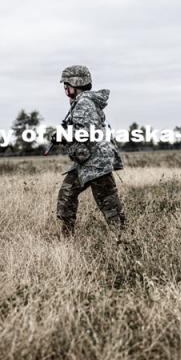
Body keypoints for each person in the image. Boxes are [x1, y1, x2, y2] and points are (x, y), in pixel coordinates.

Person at [56, 65, 126, 236]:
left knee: (109, 204)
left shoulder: (84, 103)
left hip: (96, 161)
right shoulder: (80, 102)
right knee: (67, 194)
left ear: (76, 83)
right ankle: (66, 237)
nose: (65, 88)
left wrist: (63, 136)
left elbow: (86, 132)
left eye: (66, 84)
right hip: (86, 160)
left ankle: (124, 239)